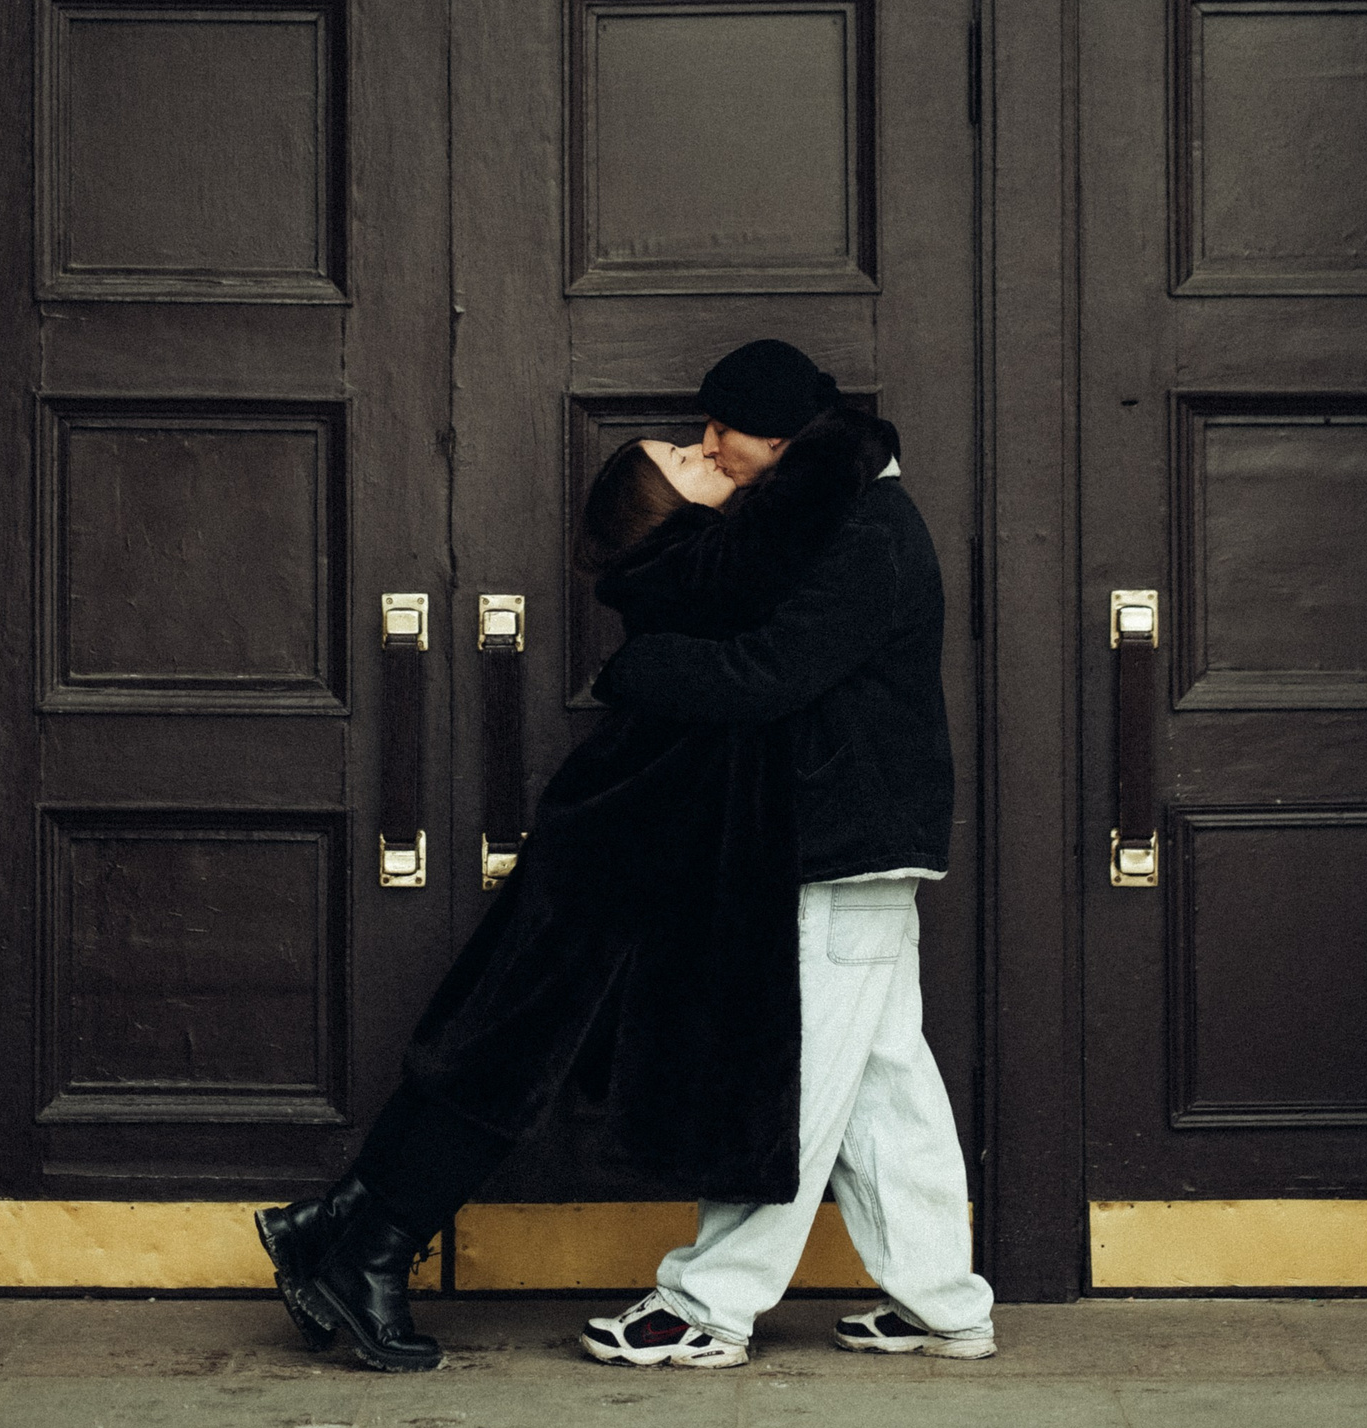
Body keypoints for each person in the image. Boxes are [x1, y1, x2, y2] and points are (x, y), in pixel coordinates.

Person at [255, 340, 902, 1372]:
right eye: (686, 463)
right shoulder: (696, 577)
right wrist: (840, 438)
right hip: (617, 864)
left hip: (615, 856)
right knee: (500, 1061)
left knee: (485, 1046)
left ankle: (335, 1223)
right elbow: (789, 557)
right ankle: (370, 1249)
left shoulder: (691, 575)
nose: (708, 454)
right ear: (667, 514)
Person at [579, 336, 995, 1369]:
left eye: (723, 429)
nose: (709, 444)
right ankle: (945, 1302)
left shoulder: (868, 532)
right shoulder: (852, 515)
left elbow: (768, 674)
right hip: (861, 839)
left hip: (837, 841)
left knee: (791, 1084)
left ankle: (707, 1305)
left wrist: (640, 670)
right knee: (886, 1089)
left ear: (775, 437)